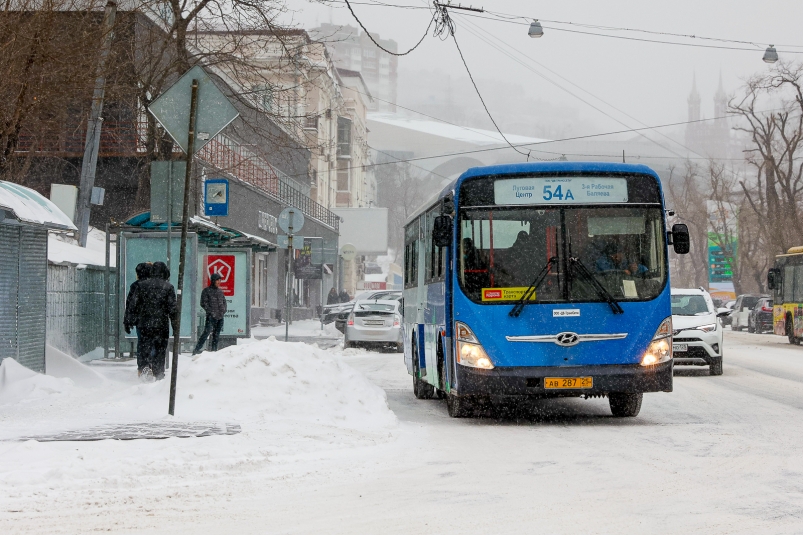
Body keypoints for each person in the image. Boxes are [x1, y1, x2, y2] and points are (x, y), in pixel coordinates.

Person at [129, 261, 176, 381]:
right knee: (160, 349)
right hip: (161, 325)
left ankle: (144, 369)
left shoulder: (142, 285)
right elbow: (172, 310)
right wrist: (176, 327)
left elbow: (133, 305)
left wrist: (129, 319)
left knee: (144, 347)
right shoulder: (168, 287)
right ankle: (158, 373)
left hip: (144, 324)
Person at [124, 262, 152, 373]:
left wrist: (127, 320)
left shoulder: (135, 285)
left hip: (141, 321)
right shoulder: (155, 285)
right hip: (155, 320)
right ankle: (152, 365)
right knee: (154, 344)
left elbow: (130, 305)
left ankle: (142, 367)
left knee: (142, 344)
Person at [193, 273, 227, 355]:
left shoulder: (220, 292)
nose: (219, 282)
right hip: (211, 317)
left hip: (220, 316)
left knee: (216, 335)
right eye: (217, 280)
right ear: (213, 281)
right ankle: (197, 349)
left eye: (220, 280)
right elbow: (203, 303)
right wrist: (211, 312)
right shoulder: (206, 291)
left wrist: (223, 310)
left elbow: (224, 302)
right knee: (206, 333)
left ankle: (214, 351)